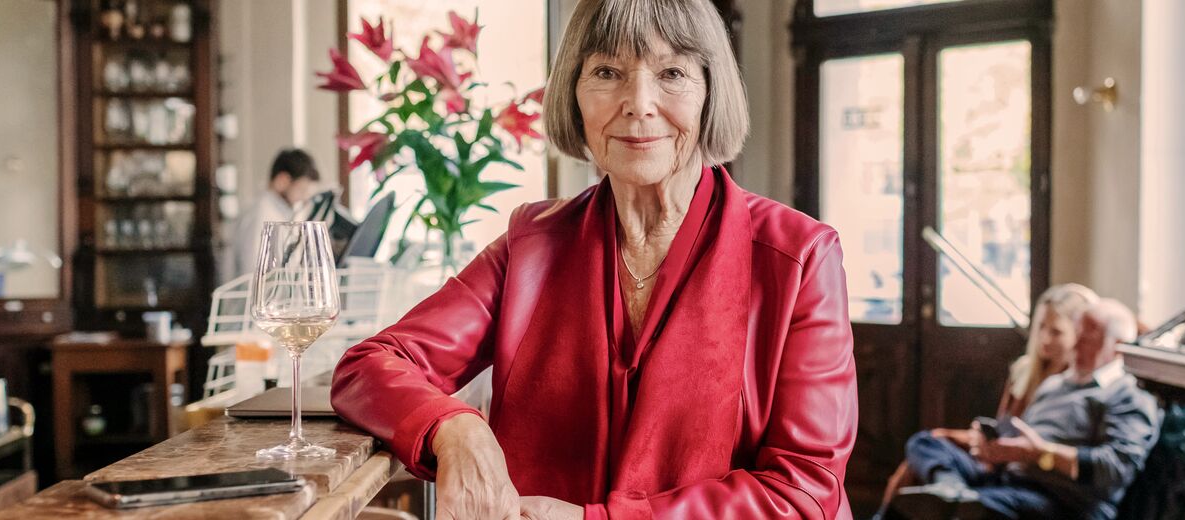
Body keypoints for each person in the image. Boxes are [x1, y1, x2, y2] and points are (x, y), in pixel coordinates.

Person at [329, 0, 857, 519]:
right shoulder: (531, 244)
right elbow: (368, 367)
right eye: (607, 71)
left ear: (710, 93)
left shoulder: (800, 257)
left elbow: (804, 493)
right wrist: (453, 425)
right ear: (574, 95)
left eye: (672, 72)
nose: (639, 102)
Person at [885, 299, 1160, 520]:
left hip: (1060, 501)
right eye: (1076, 332)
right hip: (1011, 479)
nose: (1074, 343)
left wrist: (1041, 455)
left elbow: (1115, 468)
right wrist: (995, 443)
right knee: (924, 443)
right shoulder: (1057, 383)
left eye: (1087, 336)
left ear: (1118, 347)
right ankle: (951, 490)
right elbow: (1022, 431)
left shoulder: (1128, 396)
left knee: (927, 510)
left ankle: (958, 500)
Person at [880, 283, 1099, 509]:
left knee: (921, 479)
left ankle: (949, 495)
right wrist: (983, 439)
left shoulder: (1078, 389)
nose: (1045, 338)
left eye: (1056, 332)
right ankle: (951, 489)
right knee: (924, 442)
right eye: (1041, 327)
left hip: (1024, 471)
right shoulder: (1024, 371)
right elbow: (1002, 423)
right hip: (996, 459)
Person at [223, 148, 325, 281]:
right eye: (302, 189)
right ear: (282, 181)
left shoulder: (281, 212)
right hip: (256, 299)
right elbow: (254, 272)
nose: (305, 198)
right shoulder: (260, 215)